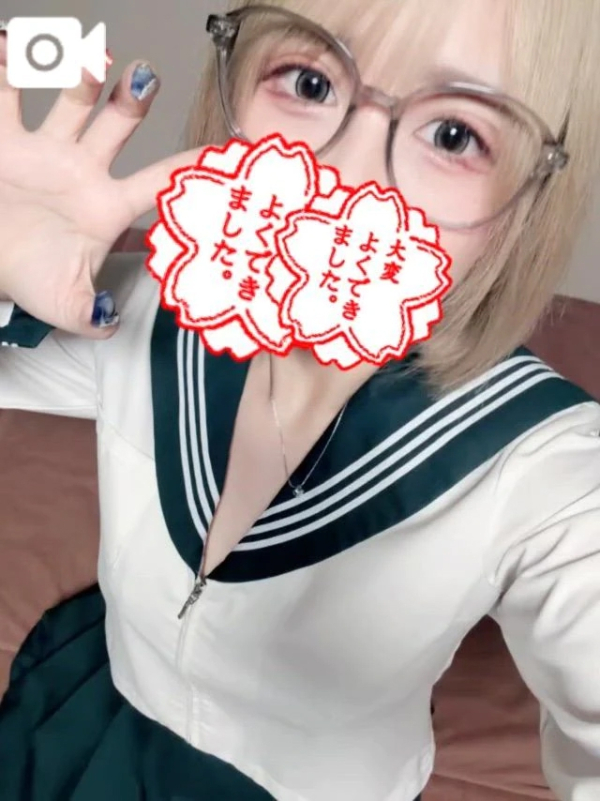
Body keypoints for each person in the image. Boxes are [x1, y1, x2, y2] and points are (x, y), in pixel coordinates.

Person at [0, 0, 599, 799]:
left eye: (455, 135)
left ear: (528, 198)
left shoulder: (545, 469)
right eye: (310, 82)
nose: (344, 177)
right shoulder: (148, 305)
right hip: (94, 721)